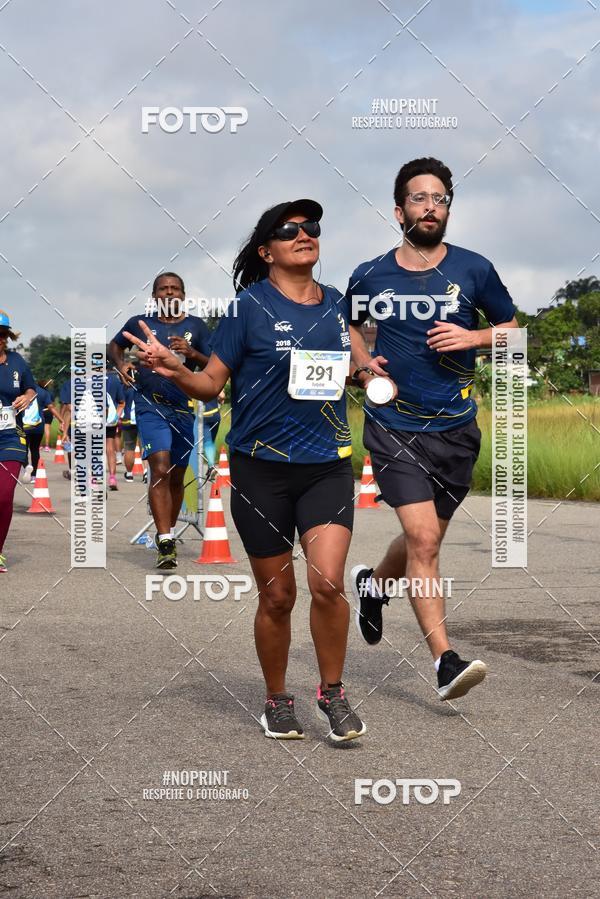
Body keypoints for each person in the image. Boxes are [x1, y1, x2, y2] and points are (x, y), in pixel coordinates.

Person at [124, 200, 367, 743]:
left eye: (312, 228)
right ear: (267, 250)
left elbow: (352, 367)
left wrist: (366, 374)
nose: (305, 235)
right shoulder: (246, 308)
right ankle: (278, 699)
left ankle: (333, 693)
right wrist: (174, 366)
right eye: (290, 230)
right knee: (277, 597)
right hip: (261, 471)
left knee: (327, 582)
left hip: (327, 464)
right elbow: (211, 384)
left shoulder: (336, 307)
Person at [347, 157, 518, 700]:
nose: (430, 206)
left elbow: (514, 332)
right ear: (399, 210)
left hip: (457, 428)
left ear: (448, 208)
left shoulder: (474, 269)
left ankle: (373, 588)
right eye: (419, 198)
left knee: (425, 539)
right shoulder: (370, 274)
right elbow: (349, 326)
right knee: (424, 540)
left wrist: (473, 339)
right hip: (393, 423)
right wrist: (363, 362)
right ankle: (445, 662)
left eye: (439, 198)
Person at [109, 273, 212, 568]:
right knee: (161, 466)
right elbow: (114, 347)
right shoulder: (138, 323)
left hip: (182, 405)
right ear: (154, 295)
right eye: (163, 289)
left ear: (183, 294)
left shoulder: (196, 326)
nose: (169, 293)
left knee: (177, 475)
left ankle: (167, 532)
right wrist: (122, 364)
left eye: (175, 289)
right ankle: (165, 538)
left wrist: (191, 352)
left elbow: (215, 363)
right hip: (148, 403)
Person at [0, 310, 37, 572]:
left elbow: (31, 387)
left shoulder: (17, 361)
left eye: (2, 334)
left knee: (4, 496)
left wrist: (28, 396)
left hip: (10, 435)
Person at [22, 380, 63, 483]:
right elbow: (51, 407)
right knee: (35, 450)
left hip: (24, 426)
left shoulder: (22, 391)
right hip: (38, 426)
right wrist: (61, 420)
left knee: (23, 449)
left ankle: (27, 466)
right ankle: (34, 475)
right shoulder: (43, 392)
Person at [105, 366, 125, 491]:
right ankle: (112, 477)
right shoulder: (114, 380)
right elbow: (122, 402)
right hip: (109, 420)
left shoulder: (88, 379)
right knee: (110, 448)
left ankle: (94, 478)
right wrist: (115, 417)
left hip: (92, 419)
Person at [120, 383, 138, 482]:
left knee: (129, 447)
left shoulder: (125, 388)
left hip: (128, 420)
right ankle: (145, 473)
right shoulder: (145, 385)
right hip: (143, 419)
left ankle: (129, 474)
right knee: (146, 447)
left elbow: (121, 402)